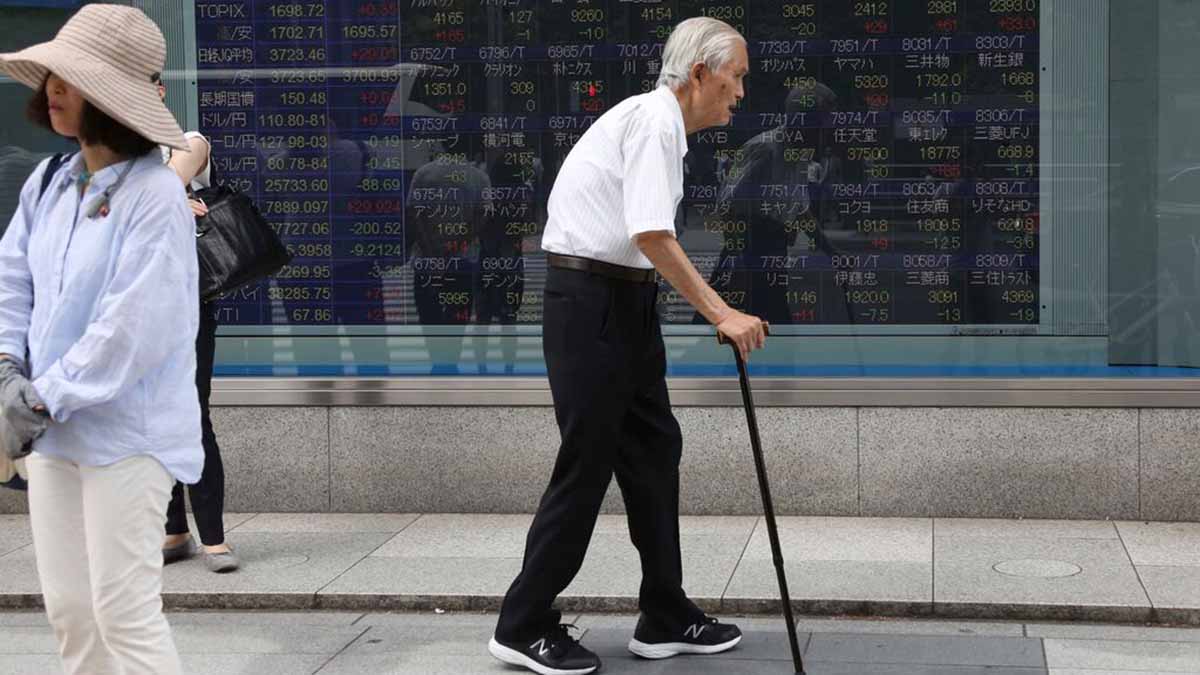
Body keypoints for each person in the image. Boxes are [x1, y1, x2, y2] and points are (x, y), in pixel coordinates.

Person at [488, 17, 767, 675]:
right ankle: (522, 622)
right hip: (592, 305)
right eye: (738, 76)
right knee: (587, 463)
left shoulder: (659, 125)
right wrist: (721, 311)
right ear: (701, 72)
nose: (741, 92)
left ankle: (665, 613)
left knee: (652, 449)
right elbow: (651, 232)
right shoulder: (654, 122)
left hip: (623, 302)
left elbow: (643, 241)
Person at [0, 5, 202, 674]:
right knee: (72, 613)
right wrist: (7, 365)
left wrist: (33, 401)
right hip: (50, 432)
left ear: (113, 97)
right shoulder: (49, 180)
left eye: (72, 77)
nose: (54, 86)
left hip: (125, 434)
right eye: (55, 73)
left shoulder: (155, 195)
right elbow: (12, 279)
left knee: (124, 612)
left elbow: (129, 328)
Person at [155, 73, 238, 573]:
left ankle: (213, 535)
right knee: (152, 414)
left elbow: (160, 185)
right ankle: (172, 528)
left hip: (188, 301)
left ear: (161, 92)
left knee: (192, 408)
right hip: (136, 302)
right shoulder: (113, 161)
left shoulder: (190, 142)